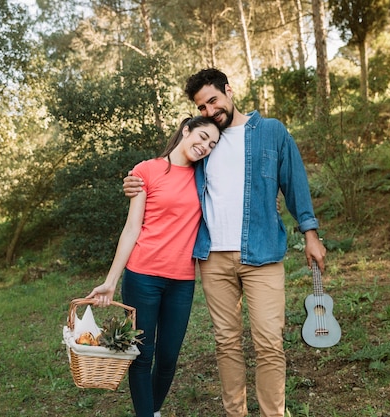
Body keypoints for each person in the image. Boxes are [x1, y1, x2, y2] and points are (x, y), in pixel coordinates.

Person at [124, 68, 326, 417]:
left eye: (213, 100)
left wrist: (310, 234)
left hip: (262, 254)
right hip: (213, 260)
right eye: (201, 107)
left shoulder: (272, 132)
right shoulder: (205, 142)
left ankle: (273, 413)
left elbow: (294, 183)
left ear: (229, 91)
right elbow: (168, 173)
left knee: (269, 342)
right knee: (227, 344)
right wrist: (134, 182)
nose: (209, 111)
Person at [86, 115, 221, 417]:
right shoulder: (146, 170)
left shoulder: (205, 176)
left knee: (168, 358)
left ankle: (151, 410)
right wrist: (111, 280)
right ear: (186, 130)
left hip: (182, 281)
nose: (205, 146)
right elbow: (132, 228)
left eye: (212, 144)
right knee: (142, 356)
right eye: (201, 137)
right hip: (142, 277)